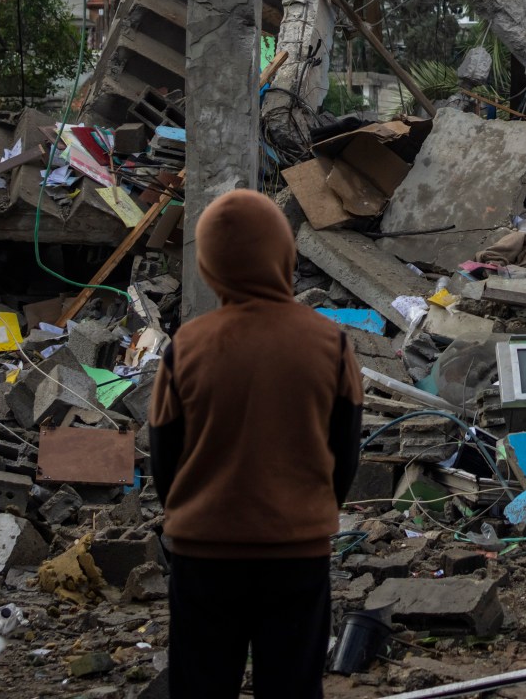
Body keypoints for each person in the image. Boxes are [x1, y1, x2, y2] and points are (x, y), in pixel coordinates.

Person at [150, 190, 363, 699]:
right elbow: (345, 456)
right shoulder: (331, 344)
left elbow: (164, 461)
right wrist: (309, 511)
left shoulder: (185, 348)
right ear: (285, 253)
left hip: (204, 557)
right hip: (296, 554)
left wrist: (195, 513)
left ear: (208, 265)